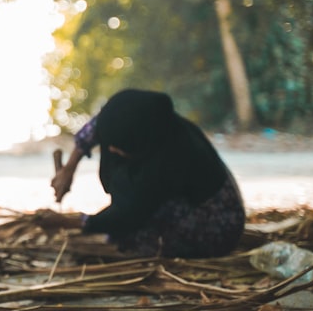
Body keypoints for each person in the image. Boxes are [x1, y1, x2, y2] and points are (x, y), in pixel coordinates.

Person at [44, 89, 245, 258]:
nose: (111, 150)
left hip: (215, 224)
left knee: (131, 237)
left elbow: (130, 213)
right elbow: (96, 128)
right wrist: (68, 170)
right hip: (151, 195)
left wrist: (70, 222)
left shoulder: (172, 157)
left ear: (143, 143)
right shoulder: (134, 116)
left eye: (118, 147)